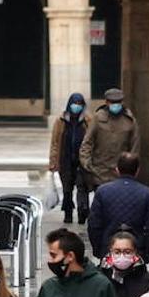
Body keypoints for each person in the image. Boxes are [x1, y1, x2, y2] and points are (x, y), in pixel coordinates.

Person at [87, 152, 149, 263]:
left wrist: (98, 250)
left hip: (109, 248)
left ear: (117, 169)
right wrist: (147, 254)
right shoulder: (147, 194)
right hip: (136, 249)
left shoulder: (102, 191)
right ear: (137, 171)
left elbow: (94, 224)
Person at [80, 87, 141, 191]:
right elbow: (87, 142)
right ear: (107, 102)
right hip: (100, 172)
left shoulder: (129, 120)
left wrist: (132, 166)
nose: (116, 105)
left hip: (121, 172)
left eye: (118, 102)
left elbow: (135, 146)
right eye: (113, 102)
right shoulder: (98, 118)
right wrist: (87, 163)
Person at [49, 92, 90, 225]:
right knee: (67, 189)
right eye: (74, 103)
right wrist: (53, 161)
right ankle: (68, 213)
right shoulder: (60, 121)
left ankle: (82, 212)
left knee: (82, 187)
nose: (76, 106)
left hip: (81, 162)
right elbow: (55, 142)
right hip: (65, 160)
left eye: (79, 104)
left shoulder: (88, 120)